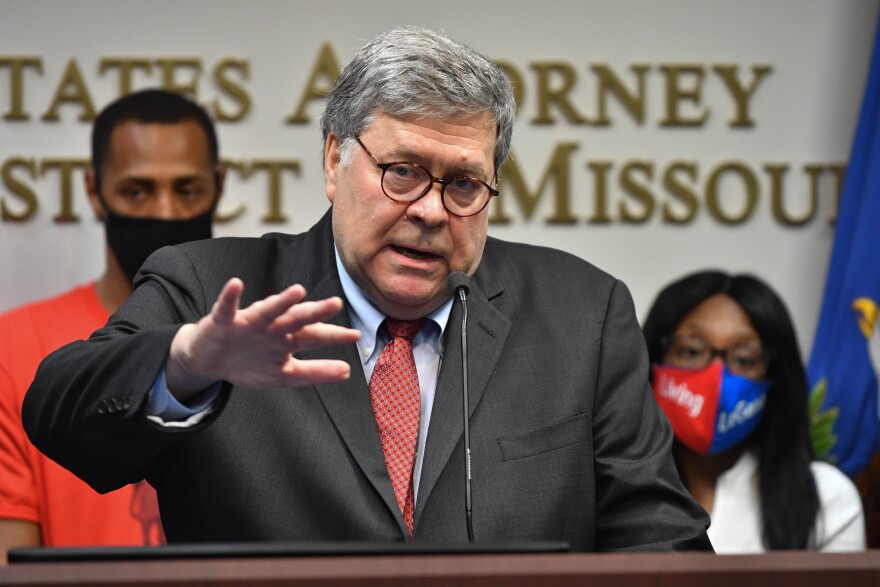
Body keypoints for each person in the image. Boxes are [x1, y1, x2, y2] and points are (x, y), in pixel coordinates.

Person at [22, 26, 711, 551]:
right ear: (334, 159)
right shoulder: (212, 289)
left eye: (464, 184)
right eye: (403, 172)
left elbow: (663, 543)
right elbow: (58, 413)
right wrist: (187, 364)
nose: (432, 211)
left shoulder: (581, 314)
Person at [0, 89, 224, 562]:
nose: (164, 212)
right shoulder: (13, 348)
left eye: (186, 190)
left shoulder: (264, 343)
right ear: (94, 191)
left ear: (217, 188)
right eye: (136, 191)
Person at [642, 270, 865, 553]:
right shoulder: (608, 493)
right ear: (650, 361)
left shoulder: (825, 496)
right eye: (691, 351)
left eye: (744, 358)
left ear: (775, 377)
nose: (715, 376)